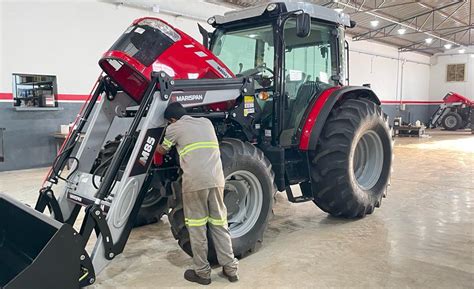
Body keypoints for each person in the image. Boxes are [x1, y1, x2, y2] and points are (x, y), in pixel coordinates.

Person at [156, 102, 239, 285]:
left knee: (197, 227)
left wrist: (153, 148)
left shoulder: (173, 128)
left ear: (172, 119)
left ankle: (203, 273)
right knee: (220, 224)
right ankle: (231, 269)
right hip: (217, 180)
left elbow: (163, 150)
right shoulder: (205, 122)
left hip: (195, 183)